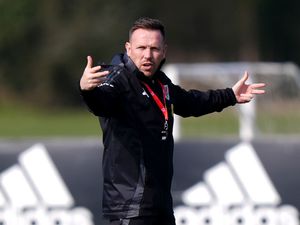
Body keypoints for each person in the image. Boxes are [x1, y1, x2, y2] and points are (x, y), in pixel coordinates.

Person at [79, 17, 265, 225]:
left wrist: (230, 95)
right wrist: (88, 90)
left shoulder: (160, 83)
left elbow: (189, 102)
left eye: (154, 48)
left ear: (164, 51)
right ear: (128, 48)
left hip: (160, 205)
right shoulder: (117, 78)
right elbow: (101, 103)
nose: (148, 55)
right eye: (141, 47)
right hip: (131, 207)